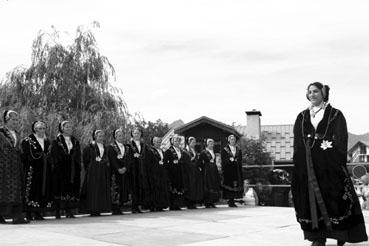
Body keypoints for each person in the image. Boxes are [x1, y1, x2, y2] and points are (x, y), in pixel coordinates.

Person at [291, 82, 368, 246]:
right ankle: (318, 237)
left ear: (323, 93)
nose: (312, 94)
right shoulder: (302, 116)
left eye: (316, 91)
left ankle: (341, 233)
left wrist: (335, 158)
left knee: (335, 198)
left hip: (330, 166)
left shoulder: (335, 114)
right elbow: (298, 141)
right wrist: (298, 164)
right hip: (307, 166)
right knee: (310, 199)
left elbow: (341, 139)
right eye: (310, 92)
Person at [0, 110, 29, 224]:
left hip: (15, 166)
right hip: (3, 166)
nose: (15, 122)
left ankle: (17, 216)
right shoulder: (1, 132)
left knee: (16, 190)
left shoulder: (17, 133)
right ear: (6, 120)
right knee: (3, 190)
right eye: (13, 120)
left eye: (17, 120)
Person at [21, 121, 53, 221]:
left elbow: (49, 154)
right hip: (33, 169)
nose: (42, 130)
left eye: (43, 128)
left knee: (42, 189)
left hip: (44, 170)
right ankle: (29, 211)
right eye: (40, 128)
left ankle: (38, 211)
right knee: (31, 189)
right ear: (35, 129)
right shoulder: (28, 140)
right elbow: (26, 155)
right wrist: (39, 158)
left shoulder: (47, 141)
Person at [50, 120, 81, 219]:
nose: (69, 128)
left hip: (72, 168)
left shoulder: (75, 141)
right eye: (67, 127)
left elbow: (78, 154)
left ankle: (69, 210)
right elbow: (55, 154)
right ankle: (58, 211)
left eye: (70, 127)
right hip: (61, 168)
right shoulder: (57, 141)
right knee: (59, 189)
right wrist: (63, 160)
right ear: (62, 128)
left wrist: (74, 160)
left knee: (71, 189)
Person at [81, 130, 111, 216]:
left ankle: (100, 208)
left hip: (103, 171)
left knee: (101, 189)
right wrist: (91, 168)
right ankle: (93, 209)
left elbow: (107, 158)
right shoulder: (90, 147)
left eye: (102, 136)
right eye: (99, 136)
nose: (101, 138)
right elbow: (86, 159)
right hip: (93, 172)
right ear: (95, 137)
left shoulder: (105, 147)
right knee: (93, 190)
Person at [107, 129, 132, 215]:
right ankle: (115, 208)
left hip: (125, 171)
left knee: (123, 189)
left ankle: (121, 206)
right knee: (116, 189)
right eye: (119, 135)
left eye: (122, 135)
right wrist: (118, 168)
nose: (121, 137)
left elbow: (129, 159)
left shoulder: (127, 147)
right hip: (115, 172)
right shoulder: (111, 147)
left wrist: (125, 167)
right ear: (115, 136)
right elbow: (112, 159)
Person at [129, 127, 150, 213]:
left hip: (143, 169)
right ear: (132, 134)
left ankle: (141, 205)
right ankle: (134, 206)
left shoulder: (144, 145)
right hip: (134, 169)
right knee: (135, 187)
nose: (137, 135)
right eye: (135, 133)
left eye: (138, 133)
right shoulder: (129, 145)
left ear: (141, 134)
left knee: (142, 187)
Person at [147, 136, 170, 211]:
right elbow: (149, 163)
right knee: (155, 189)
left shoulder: (162, 151)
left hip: (162, 172)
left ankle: (161, 205)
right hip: (154, 173)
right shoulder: (150, 151)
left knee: (161, 189)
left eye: (159, 142)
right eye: (157, 142)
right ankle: (154, 205)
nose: (158, 143)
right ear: (153, 142)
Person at [164, 135, 186, 210]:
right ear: (172, 141)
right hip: (172, 172)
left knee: (179, 187)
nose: (177, 142)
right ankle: (172, 205)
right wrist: (172, 163)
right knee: (173, 187)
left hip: (180, 171)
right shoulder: (168, 151)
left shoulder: (181, 150)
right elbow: (166, 163)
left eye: (178, 141)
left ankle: (178, 204)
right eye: (175, 141)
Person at [221, 135, 243, 207]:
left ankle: (233, 200)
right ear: (229, 140)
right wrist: (229, 160)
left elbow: (240, 158)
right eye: (231, 139)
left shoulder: (238, 149)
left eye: (234, 139)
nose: (233, 141)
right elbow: (223, 159)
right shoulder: (225, 149)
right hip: (229, 169)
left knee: (236, 184)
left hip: (236, 169)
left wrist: (237, 160)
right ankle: (230, 200)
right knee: (229, 184)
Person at [199, 138, 221, 208]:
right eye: (210, 144)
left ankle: (212, 201)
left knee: (213, 185)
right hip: (207, 171)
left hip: (213, 170)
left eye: (212, 144)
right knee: (208, 185)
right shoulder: (203, 152)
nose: (211, 145)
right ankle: (207, 202)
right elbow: (200, 162)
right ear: (207, 144)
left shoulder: (213, 152)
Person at [182, 137, 204, 209]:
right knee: (190, 186)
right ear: (189, 142)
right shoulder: (185, 150)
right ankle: (189, 203)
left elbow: (198, 160)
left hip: (195, 170)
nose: (194, 144)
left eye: (195, 142)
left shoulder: (195, 150)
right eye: (193, 142)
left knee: (195, 186)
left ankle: (194, 202)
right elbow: (185, 161)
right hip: (189, 171)